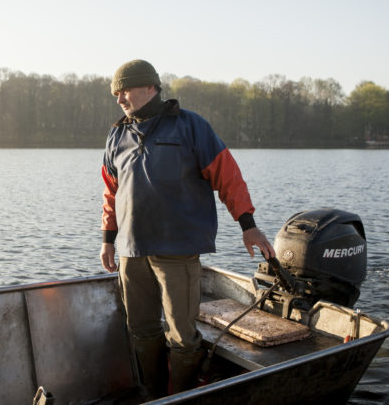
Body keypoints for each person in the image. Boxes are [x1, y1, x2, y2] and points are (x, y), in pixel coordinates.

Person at [100, 59, 275, 398]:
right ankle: (152, 396)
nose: (120, 98)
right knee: (141, 329)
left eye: (125, 90)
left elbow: (229, 177)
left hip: (177, 252)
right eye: (115, 93)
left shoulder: (190, 126)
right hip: (131, 251)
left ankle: (180, 397)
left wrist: (248, 225)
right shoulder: (116, 134)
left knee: (182, 335)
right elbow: (110, 192)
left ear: (150, 87)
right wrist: (108, 239)